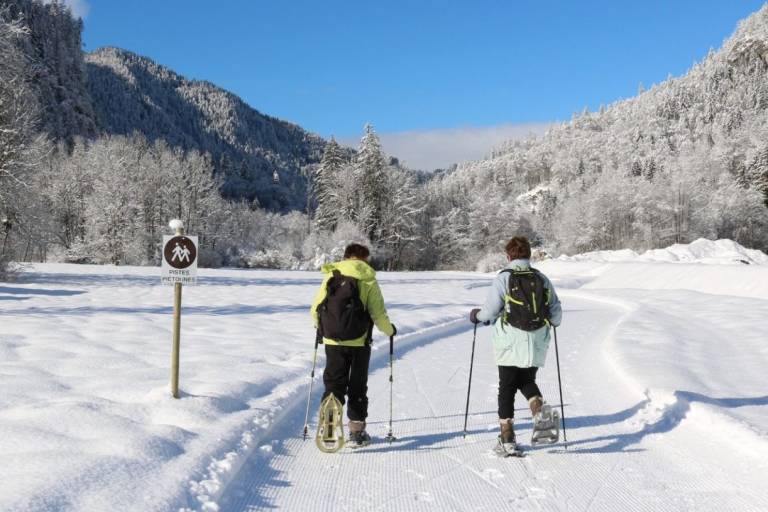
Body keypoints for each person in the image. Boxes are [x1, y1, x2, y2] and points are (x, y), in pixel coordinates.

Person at [469, 236, 562, 454]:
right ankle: (538, 409)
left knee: (507, 385)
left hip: (509, 340)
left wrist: (476, 316)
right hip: (537, 340)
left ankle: (507, 437)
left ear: (508, 256)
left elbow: (490, 311)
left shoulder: (504, 277)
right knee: (527, 380)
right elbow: (556, 313)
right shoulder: (541, 278)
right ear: (529, 255)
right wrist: (551, 323)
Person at [310, 243, 396, 446]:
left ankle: (329, 425)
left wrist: (321, 329)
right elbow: (378, 313)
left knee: (334, 383)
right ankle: (357, 433)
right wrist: (390, 330)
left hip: (332, 341)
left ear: (346, 256)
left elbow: (316, 308)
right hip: (360, 342)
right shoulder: (368, 279)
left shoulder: (332, 275)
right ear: (364, 258)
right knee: (357, 386)